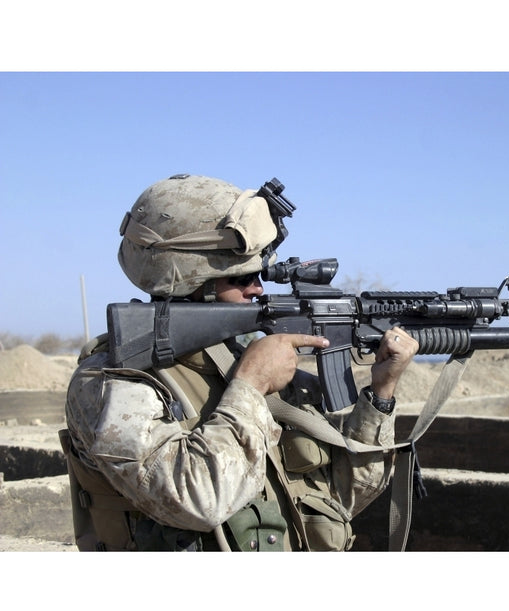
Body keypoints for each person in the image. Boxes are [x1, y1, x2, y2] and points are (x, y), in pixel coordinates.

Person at [62, 174, 418, 551]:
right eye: (244, 276)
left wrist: (380, 394)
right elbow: (197, 502)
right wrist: (249, 386)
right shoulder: (112, 383)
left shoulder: (239, 361)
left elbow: (339, 498)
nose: (258, 289)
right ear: (193, 280)